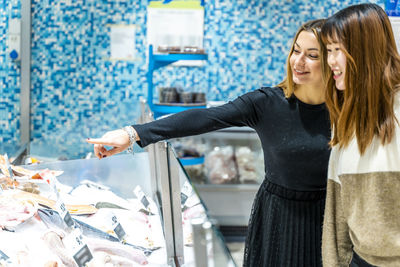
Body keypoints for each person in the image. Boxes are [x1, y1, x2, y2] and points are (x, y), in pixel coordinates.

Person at [87, 19, 331, 267]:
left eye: (312, 55)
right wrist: (132, 133)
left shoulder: (349, 109)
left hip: (330, 215)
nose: (298, 62)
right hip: (279, 216)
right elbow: (204, 118)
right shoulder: (267, 102)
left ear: (333, 60)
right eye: (296, 50)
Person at [321, 3, 400, 267]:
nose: (330, 61)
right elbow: (336, 210)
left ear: (364, 50)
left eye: (336, 50)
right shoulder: (345, 118)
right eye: (328, 51)